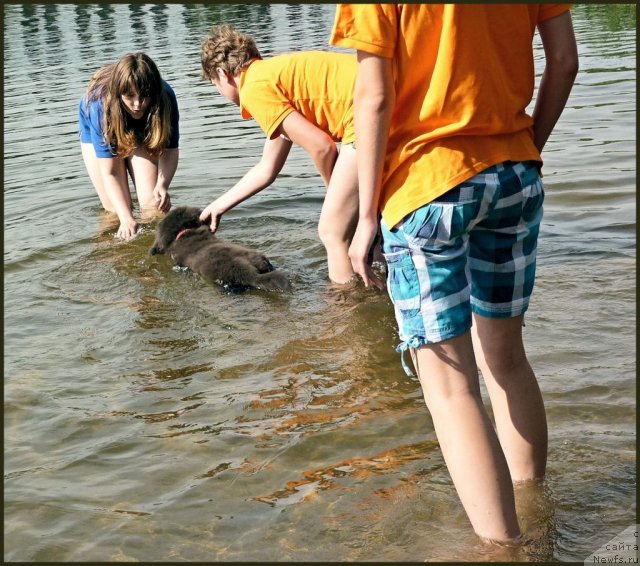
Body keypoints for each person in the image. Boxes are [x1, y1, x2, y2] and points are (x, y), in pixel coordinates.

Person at [330, 4, 578, 543]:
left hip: (428, 188)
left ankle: (507, 551)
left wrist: (367, 214)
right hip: (514, 174)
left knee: (450, 387)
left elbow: (372, 97)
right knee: (507, 358)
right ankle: (536, 507)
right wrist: (528, 145)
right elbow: (563, 61)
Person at [199, 24, 365, 284]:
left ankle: (345, 307)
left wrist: (334, 192)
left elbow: (322, 146)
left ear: (222, 73)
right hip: (385, 108)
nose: (220, 93)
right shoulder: (270, 77)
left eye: (214, 85)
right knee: (363, 225)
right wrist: (219, 206)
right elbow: (267, 167)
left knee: (333, 231)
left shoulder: (254, 89)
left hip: (366, 117)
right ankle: (375, 282)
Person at [79, 52, 180, 240]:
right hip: (103, 126)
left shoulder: (165, 95)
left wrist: (162, 184)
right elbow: (111, 172)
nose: (137, 105)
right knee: (115, 211)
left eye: (145, 96)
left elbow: (171, 150)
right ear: (119, 93)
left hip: (141, 132)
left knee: (153, 204)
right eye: (129, 96)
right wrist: (126, 217)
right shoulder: (98, 105)